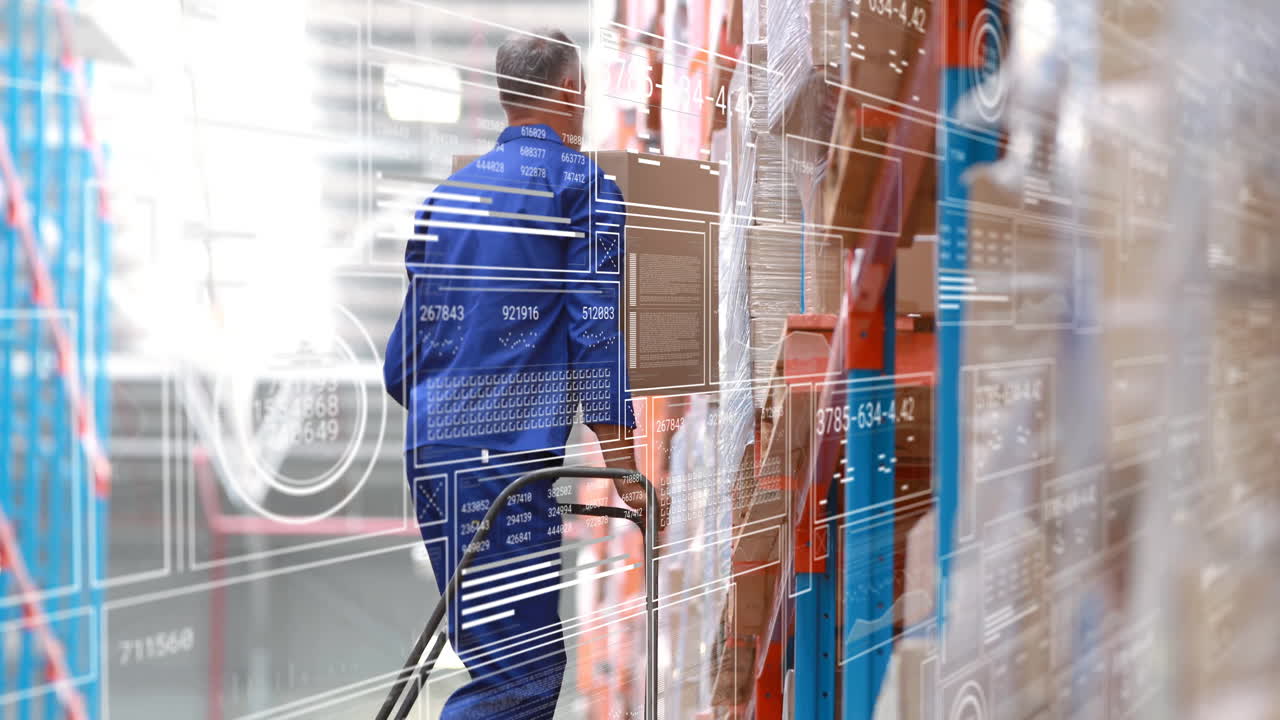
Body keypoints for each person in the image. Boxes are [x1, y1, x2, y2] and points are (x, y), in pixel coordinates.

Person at [383, 28, 657, 719]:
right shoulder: (582, 186)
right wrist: (626, 468)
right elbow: (594, 330)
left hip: (433, 452)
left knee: (498, 657)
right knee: (520, 676)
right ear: (571, 91)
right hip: (502, 456)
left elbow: (399, 362)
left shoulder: (448, 196)